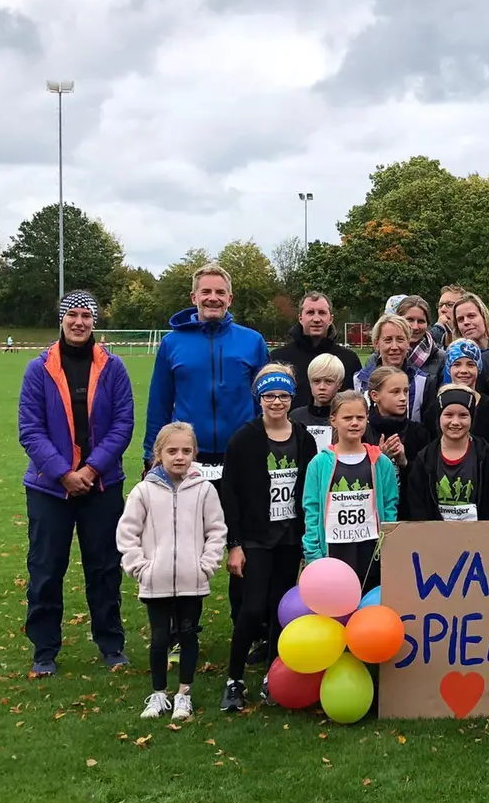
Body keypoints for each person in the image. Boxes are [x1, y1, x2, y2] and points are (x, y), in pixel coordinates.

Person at [18, 291, 135, 676]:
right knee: (46, 568)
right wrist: (63, 472)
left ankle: (110, 643)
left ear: (94, 322)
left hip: (101, 485)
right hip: (50, 487)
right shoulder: (39, 369)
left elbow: (122, 425)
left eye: (87, 316)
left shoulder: (114, 367)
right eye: (73, 315)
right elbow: (30, 430)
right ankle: (45, 649)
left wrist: (91, 470)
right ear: (62, 319)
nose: (80, 322)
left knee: (104, 568)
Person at [217, 366, 316, 712]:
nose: (277, 402)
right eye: (270, 396)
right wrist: (235, 543)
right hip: (256, 538)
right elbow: (230, 494)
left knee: (279, 610)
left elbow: (309, 491)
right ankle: (234, 680)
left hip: (289, 537)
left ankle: (272, 678)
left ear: (292, 399)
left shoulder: (304, 438)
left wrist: (308, 539)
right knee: (252, 608)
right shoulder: (243, 440)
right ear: (259, 399)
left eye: (283, 396)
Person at [117, 422, 227, 721]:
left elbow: (216, 530)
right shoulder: (144, 491)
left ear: (195, 453)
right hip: (157, 581)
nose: (180, 457)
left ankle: (184, 694)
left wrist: (205, 566)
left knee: (188, 635)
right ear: (159, 454)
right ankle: (158, 693)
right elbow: (128, 532)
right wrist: (140, 567)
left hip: (193, 581)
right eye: (172, 451)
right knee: (160, 638)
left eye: (186, 451)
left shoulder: (204, 490)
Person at [142, 262, 269, 480]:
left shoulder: (253, 341)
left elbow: (265, 402)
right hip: (188, 456)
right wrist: (150, 455)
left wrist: (265, 442)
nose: (213, 297)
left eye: (220, 292)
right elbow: (159, 403)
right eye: (206, 292)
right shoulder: (171, 343)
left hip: (242, 453)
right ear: (194, 298)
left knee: (238, 515)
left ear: (230, 299)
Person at [302, 392, 400, 590]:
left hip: (370, 550)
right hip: (333, 551)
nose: (354, 423)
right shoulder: (319, 464)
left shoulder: (381, 462)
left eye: (360, 417)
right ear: (333, 421)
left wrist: (388, 544)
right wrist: (313, 553)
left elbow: (391, 505)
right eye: (347, 418)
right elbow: (311, 509)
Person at [403, 386, 489, 522]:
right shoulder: (425, 459)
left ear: (472, 418)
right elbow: (418, 508)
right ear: (439, 417)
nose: (455, 422)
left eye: (463, 415)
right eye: (448, 415)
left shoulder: (487, 457)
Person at [270, 292, 362, 412]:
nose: (316, 319)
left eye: (322, 313)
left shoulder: (349, 360)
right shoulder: (278, 359)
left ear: (330, 319)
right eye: (310, 313)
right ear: (300, 318)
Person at [354, 313, 440, 418]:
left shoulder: (423, 382)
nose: (394, 347)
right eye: (388, 340)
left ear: (408, 343)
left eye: (400, 339)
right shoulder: (359, 380)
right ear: (376, 344)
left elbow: (429, 430)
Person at [364, 365, 431, 483]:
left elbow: (427, 479)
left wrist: (405, 463)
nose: (403, 398)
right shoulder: (362, 433)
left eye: (405, 391)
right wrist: (379, 460)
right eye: (395, 392)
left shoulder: (418, 432)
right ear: (375, 396)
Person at [290, 352, 344, 453]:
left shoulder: (346, 418)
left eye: (329, 381)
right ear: (310, 382)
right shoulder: (295, 417)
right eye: (316, 381)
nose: (322, 387)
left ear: (339, 384)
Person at [393, 295, 446, 384]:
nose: (415, 327)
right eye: (410, 320)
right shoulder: (382, 355)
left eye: (421, 321)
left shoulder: (441, 358)